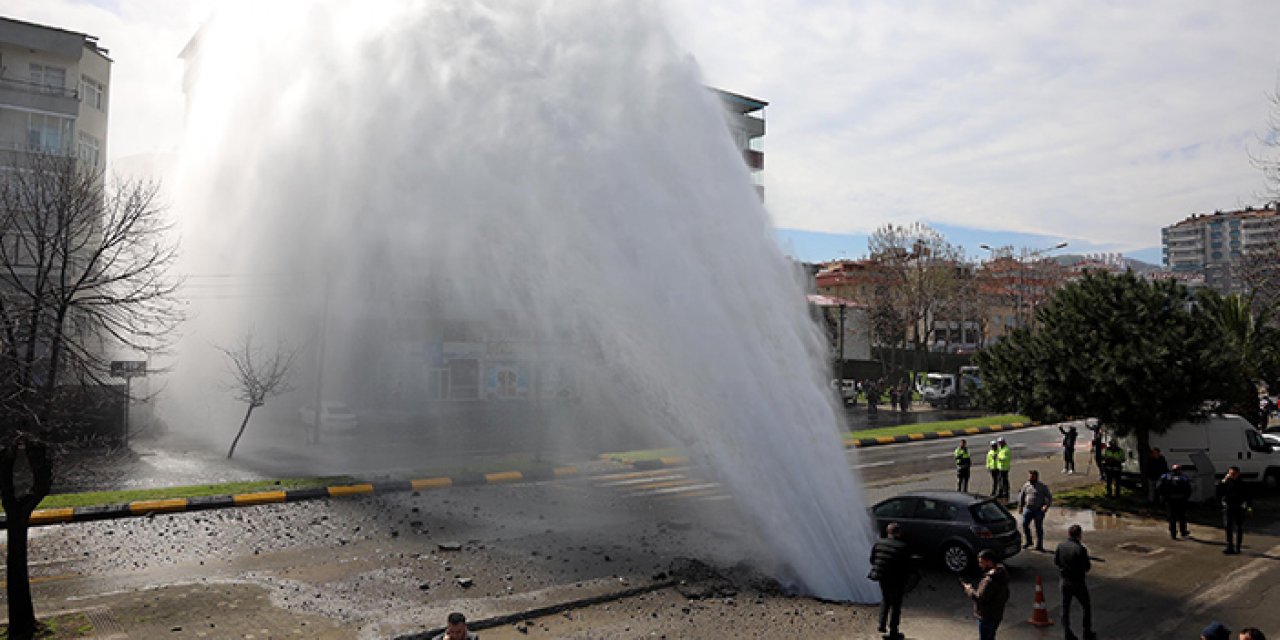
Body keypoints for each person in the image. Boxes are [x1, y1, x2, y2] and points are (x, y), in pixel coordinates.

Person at [868, 522, 914, 640]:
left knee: (885, 599)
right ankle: (893, 631)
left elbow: (872, 560)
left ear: (888, 532)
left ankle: (881, 624)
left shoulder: (878, 543)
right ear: (898, 533)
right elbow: (907, 566)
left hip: (882, 576)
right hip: (896, 579)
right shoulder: (902, 547)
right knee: (895, 605)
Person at [1054, 524, 1097, 640]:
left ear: (1068, 534)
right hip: (1077, 582)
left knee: (1065, 607)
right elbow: (1087, 567)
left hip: (1064, 581)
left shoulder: (1060, 546)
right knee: (1086, 606)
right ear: (1079, 535)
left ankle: (1067, 632)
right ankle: (1087, 631)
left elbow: (1056, 562)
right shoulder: (1080, 549)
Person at [962, 549, 1010, 640]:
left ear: (989, 562)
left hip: (987, 615)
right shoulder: (1002, 574)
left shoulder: (989, 581)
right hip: (997, 614)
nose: (980, 565)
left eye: (981, 562)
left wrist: (969, 590)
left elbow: (980, 598)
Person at [1217, 466, 1251, 554]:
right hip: (1228, 507)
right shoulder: (1226, 483)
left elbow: (1248, 497)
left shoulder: (1242, 484)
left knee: (1239, 527)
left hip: (1239, 507)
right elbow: (1219, 491)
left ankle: (1238, 547)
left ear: (1238, 474)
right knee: (1228, 527)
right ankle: (1229, 546)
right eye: (1230, 474)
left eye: (1234, 474)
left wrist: (1249, 508)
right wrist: (1223, 480)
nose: (1232, 475)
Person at [1018, 469, 1052, 551]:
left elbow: (1049, 497)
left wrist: (1046, 506)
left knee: (1038, 527)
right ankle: (1029, 541)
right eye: (1030, 476)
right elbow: (1022, 496)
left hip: (1038, 510)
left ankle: (1039, 545)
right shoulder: (1026, 485)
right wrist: (1020, 507)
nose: (1030, 478)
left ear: (1036, 477)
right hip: (1028, 509)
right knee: (1025, 525)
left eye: (1032, 476)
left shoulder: (1042, 486)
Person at [1157, 464, 1193, 539]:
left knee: (1172, 516)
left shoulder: (1166, 477)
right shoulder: (1183, 478)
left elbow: (1159, 487)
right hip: (1181, 500)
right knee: (1182, 516)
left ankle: (1173, 532)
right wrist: (1186, 497)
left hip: (1170, 499)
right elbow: (1188, 489)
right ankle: (1183, 531)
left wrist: (1164, 496)